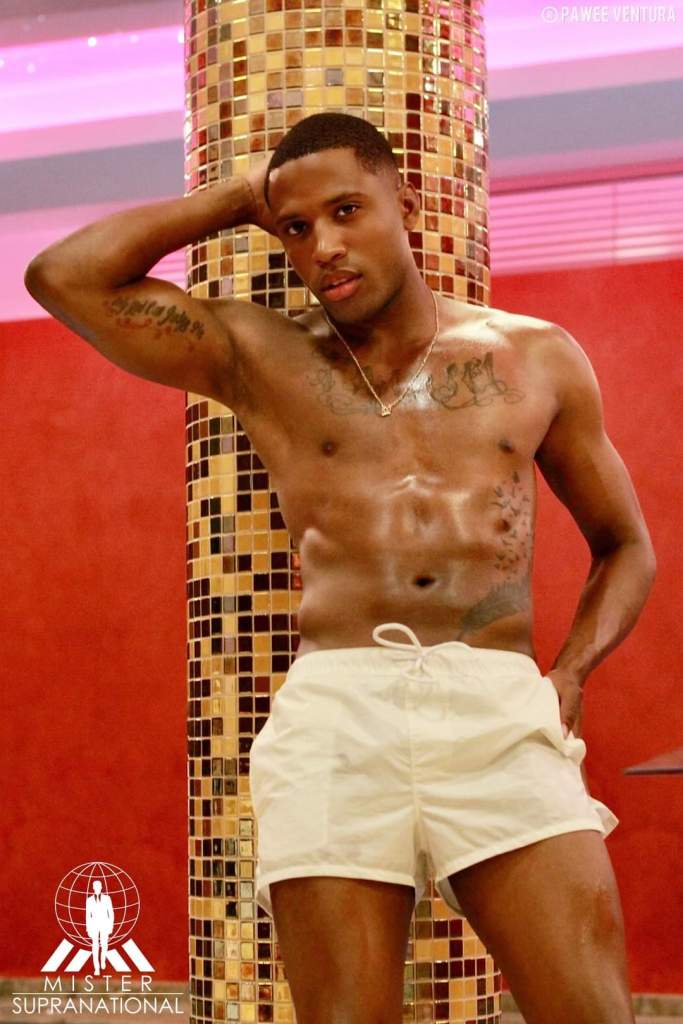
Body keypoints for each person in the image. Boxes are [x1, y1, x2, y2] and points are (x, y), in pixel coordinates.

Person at [25, 112, 655, 1024]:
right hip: (337, 712)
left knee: (591, 1012)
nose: (321, 245)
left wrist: (569, 673)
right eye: (296, 227)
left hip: (492, 701)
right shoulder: (260, 356)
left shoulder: (534, 358)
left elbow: (624, 544)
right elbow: (62, 277)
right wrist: (240, 195)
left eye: (346, 210)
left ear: (406, 202)